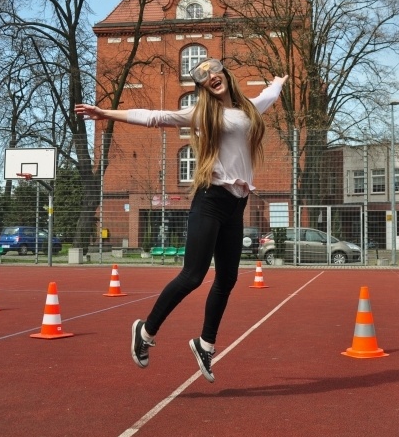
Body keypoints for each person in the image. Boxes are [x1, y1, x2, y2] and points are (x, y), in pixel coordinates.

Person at [75, 59, 287, 382]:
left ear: (225, 74)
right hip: (211, 200)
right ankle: (145, 332)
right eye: (202, 77)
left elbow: (267, 98)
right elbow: (155, 117)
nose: (211, 77)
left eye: (214, 71)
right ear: (202, 87)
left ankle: (205, 344)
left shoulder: (248, 109)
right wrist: (107, 115)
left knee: (228, 279)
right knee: (192, 275)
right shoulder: (202, 114)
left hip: (237, 204)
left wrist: (278, 82)